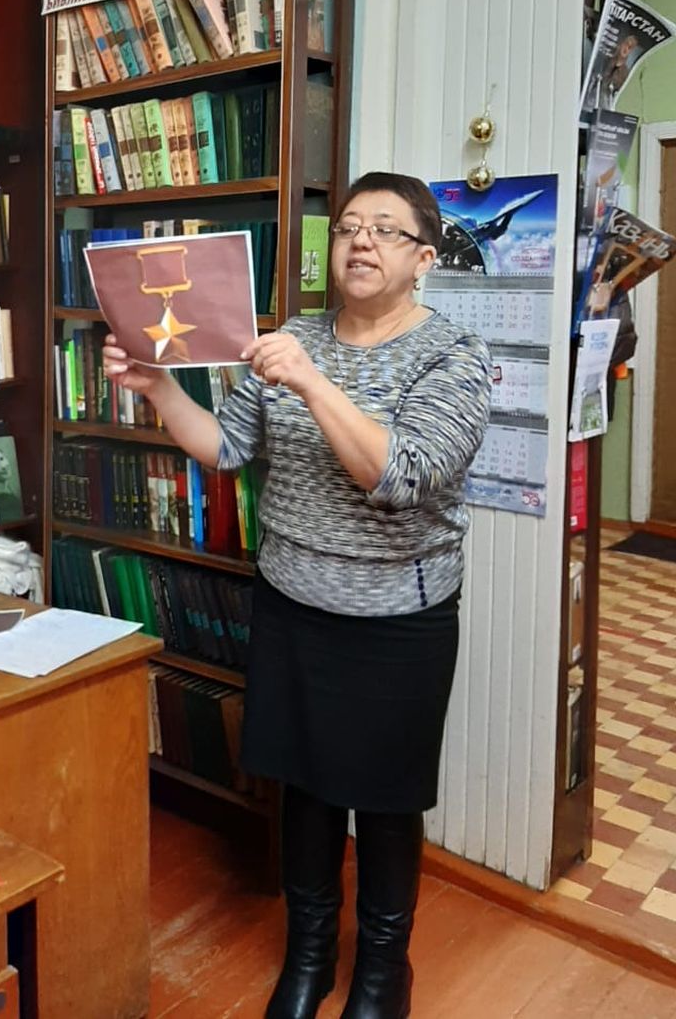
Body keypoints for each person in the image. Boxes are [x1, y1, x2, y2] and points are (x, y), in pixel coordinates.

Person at [103, 172, 491, 1019]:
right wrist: (160, 387)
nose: (361, 240)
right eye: (348, 226)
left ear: (424, 258)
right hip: (291, 602)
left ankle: (384, 970)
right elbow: (225, 447)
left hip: (398, 620)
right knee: (305, 789)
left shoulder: (454, 355)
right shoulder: (290, 336)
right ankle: (309, 955)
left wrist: (314, 382)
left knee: (385, 799)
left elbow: (403, 474)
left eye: (385, 229)